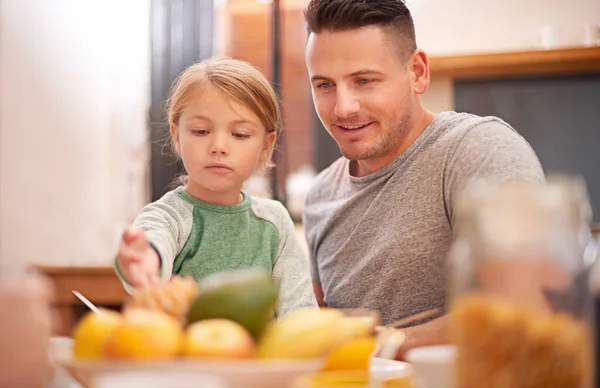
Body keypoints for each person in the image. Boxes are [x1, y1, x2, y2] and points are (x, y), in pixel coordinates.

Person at [301, 0, 545, 356]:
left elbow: (522, 305)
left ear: (417, 72)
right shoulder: (320, 194)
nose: (343, 107)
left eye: (364, 80)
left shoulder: (478, 150)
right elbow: (316, 324)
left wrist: (383, 345)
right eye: (324, 85)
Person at [115, 56, 317, 316]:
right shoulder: (168, 215)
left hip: (258, 356)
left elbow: (299, 311)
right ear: (176, 136)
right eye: (200, 131)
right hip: (182, 355)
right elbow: (154, 242)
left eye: (240, 134)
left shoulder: (274, 221)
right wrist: (144, 260)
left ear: (267, 145)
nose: (219, 147)